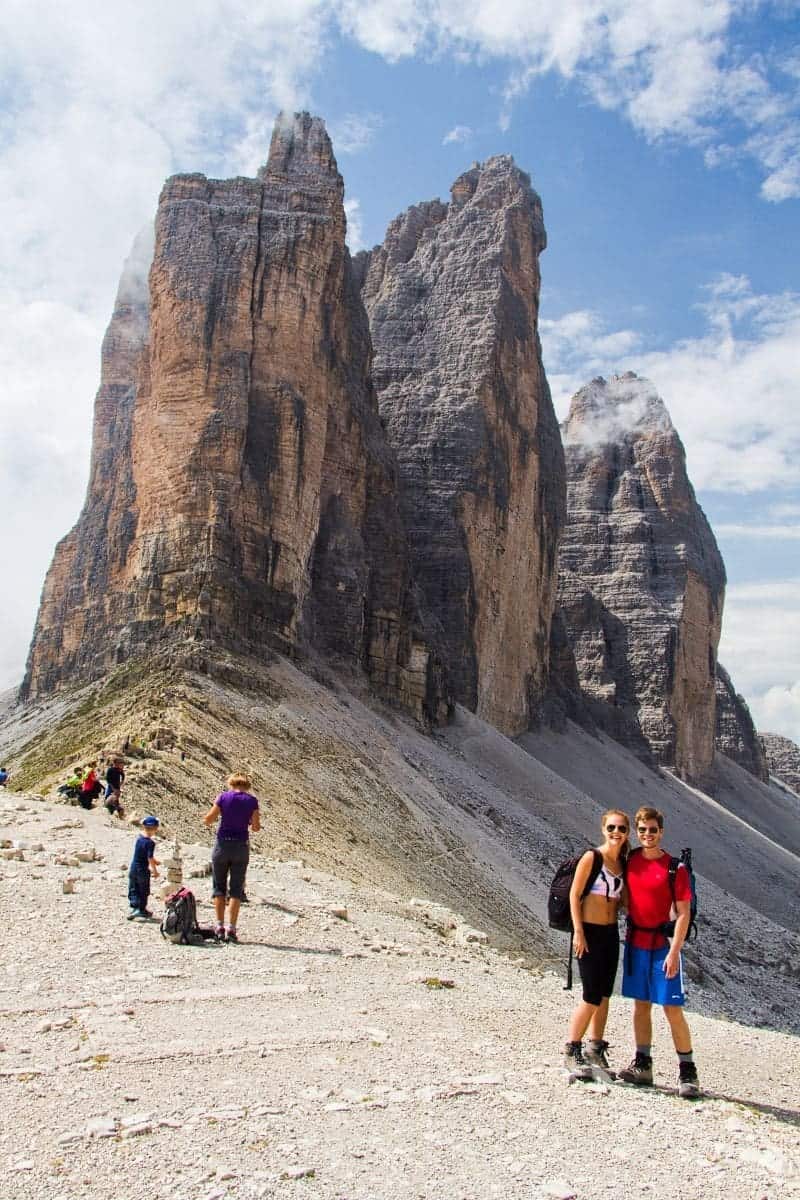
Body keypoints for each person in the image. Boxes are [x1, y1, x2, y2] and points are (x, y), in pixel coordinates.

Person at [618, 805, 699, 1099]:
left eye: (653, 830)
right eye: (642, 830)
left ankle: (688, 1071)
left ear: (661, 832)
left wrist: (675, 951)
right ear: (637, 832)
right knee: (640, 1005)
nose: (648, 835)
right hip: (637, 943)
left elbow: (683, 913)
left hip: (663, 948)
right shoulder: (631, 861)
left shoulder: (673, 868)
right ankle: (643, 1065)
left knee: (671, 1008)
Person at [563, 809, 629, 1079]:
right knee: (590, 995)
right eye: (612, 828)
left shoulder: (622, 864)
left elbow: (623, 901)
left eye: (622, 829)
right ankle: (572, 1049)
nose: (616, 833)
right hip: (588, 932)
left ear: (627, 834)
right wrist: (578, 932)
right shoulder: (593, 857)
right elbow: (574, 894)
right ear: (604, 829)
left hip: (610, 933)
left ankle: (595, 1048)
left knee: (604, 995)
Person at [203, 772, 260, 943]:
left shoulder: (223, 797)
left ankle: (219, 926)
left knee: (219, 887)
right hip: (241, 847)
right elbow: (256, 827)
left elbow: (209, 819)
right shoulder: (252, 801)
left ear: (231, 783)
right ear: (246, 785)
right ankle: (232, 929)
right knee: (236, 889)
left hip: (222, 845)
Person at [128, 816, 160, 919]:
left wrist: (155, 861)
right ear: (155, 829)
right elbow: (149, 857)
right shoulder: (150, 843)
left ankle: (134, 907)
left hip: (133, 867)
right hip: (142, 869)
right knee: (143, 889)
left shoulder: (139, 839)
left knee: (134, 887)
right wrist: (155, 871)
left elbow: (142, 853)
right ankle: (141, 909)